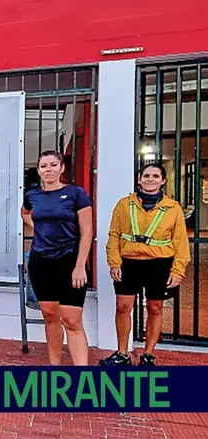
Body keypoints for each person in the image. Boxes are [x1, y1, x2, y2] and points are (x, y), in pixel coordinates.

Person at [101, 163, 190, 367]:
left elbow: (181, 241)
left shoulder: (173, 208)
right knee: (123, 307)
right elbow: (114, 234)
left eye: (155, 176)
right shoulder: (124, 204)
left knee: (155, 308)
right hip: (128, 263)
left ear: (163, 181)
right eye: (146, 175)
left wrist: (178, 270)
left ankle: (148, 354)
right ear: (139, 179)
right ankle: (122, 354)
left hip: (159, 264)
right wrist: (114, 262)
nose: (150, 179)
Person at [21, 150, 93, 366]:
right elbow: (25, 213)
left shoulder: (76, 194)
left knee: (72, 320)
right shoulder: (32, 195)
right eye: (44, 166)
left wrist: (80, 265)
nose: (48, 170)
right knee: (50, 317)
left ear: (61, 168)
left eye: (53, 165)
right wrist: (39, 228)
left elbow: (87, 231)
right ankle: (55, 367)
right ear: (38, 170)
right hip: (41, 262)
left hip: (70, 262)